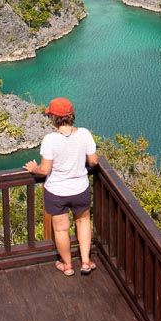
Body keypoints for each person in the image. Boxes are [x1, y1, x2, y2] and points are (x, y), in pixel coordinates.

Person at [24, 96, 97, 276]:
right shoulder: (84, 134)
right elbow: (94, 162)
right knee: (83, 222)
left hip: (57, 192)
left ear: (53, 118)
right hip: (80, 188)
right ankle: (86, 262)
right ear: (71, 115)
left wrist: (34, 168)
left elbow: (44, 170)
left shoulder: (50, 140)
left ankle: (67, 265)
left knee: (61, 229)